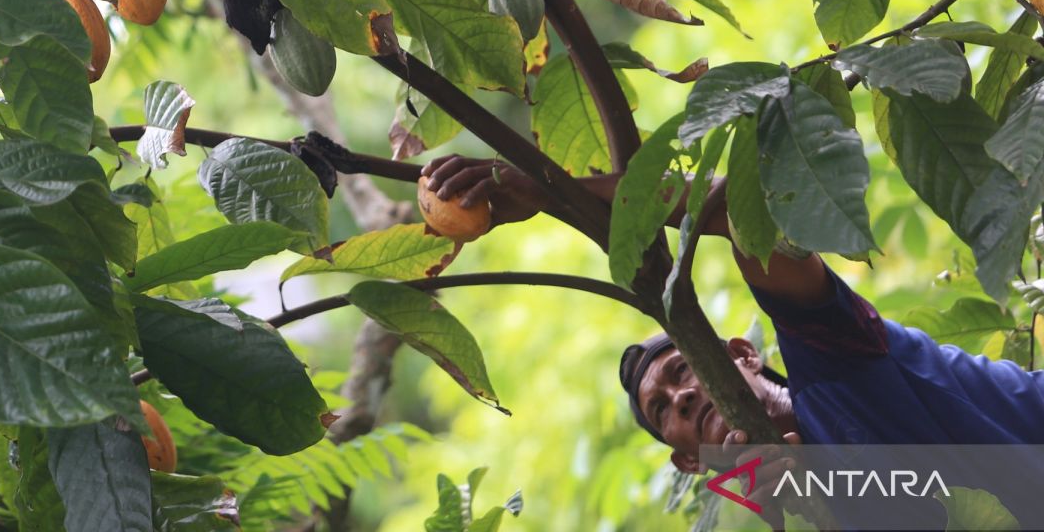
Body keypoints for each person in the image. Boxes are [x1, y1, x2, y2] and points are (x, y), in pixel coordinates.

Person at [421, 155, 1044, 529]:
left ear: (744, 355)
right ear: (689, 463)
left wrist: (549, 189)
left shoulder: (835, 361)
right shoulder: (790, 505)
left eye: (681, 370)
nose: (682, 398)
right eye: (662, 410)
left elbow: (739, 211)